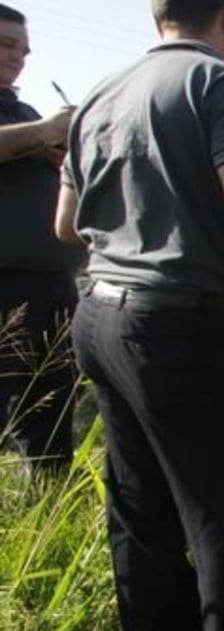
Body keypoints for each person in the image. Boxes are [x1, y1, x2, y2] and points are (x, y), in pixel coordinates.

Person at [54, 1, 224, 631]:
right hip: (180, 332)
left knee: (140, 512)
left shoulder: (97, 96)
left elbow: (66, 226)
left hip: (102, 317)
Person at [0, 3, 84, 474]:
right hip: (3, 286)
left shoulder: (23, 110)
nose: (18, 57)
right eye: (7, 45)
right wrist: (46, 130)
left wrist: (67, 151)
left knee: (52, 414)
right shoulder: (33, 121)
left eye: (24, 50)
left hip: (52, 289)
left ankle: (46, 522)